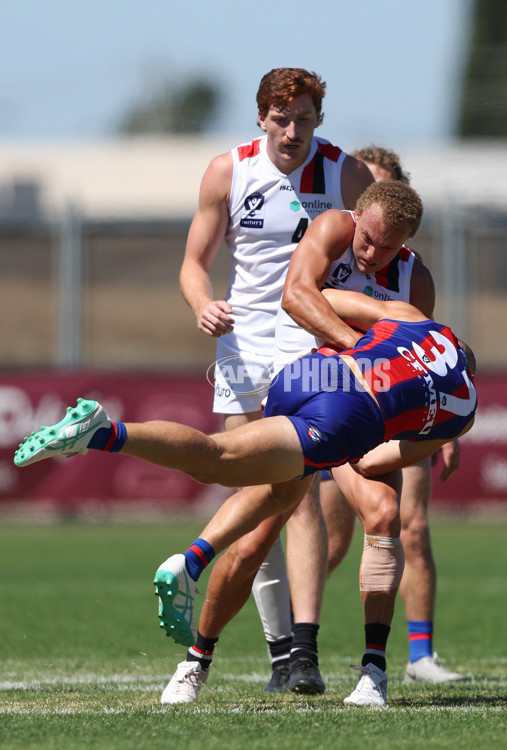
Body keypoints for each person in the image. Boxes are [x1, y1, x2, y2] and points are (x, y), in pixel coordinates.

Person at [14, 290, 477, 709]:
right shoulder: (465, 402)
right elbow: (378, 464)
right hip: (347, 417)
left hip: (310, 370)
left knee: (272, 499)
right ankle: (106, 432)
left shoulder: (414, 317)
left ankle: (193, 576)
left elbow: (324, 295)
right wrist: (349, 443)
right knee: (219, 459)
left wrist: (358, 353)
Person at [176, 66, 373, 695]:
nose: (292, 130)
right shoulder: (227, 170)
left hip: (310, 340)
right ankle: (280, 651)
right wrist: (201, 303)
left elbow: (375, 257)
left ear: (320, 119)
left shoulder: (346, 173)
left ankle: (301, 651)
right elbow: (193, 264)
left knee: (299, 489)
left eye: (305, 118)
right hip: (242, 344)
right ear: (260, 117)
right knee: (258, 485)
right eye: (281, 118)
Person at [319, 146, 466, 685]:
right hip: (337, 404)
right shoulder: (329, 241)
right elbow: (300, 297)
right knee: (334, 538)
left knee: (412, 523)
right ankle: (294, 639)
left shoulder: (412, 276)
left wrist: (445, 427)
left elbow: (428, 353)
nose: (373, 242)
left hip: (400, 414)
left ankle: (420, 655)